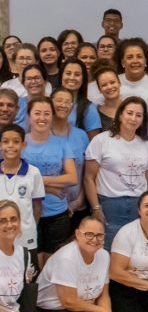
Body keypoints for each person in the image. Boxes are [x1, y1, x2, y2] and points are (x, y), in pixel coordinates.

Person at [36, 216, 120, 312]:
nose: (94, 239)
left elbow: (104, 294)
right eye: (89, 234)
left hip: (80, 308)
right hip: (49, 310)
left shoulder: (104, 255)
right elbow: (69, 302)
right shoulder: (66, 258)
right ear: (78, 234)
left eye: (99, 235)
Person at [0, 200, 65, 312]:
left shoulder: (24, 254)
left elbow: (23, 295)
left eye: (13, 219)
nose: (9, 225)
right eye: (3, 221)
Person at [85, 97, 148, 251]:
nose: (133, 118)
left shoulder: (146, 145)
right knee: (109, 250)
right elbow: (89, 178)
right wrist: (96, 208)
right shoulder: (101, 140)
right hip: (110, 204)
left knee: (135, 250)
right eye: (129, 113)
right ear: (120, 115)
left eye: (139, 115)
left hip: (138, 205)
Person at [23, 98, 77, 264]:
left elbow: (72, 178)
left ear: (52, 117)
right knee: (32, 265)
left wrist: (39, 180)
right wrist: (51, 187)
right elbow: (15, 180)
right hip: (27, 212)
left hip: (57, 213)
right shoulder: (20, 143)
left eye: (47, 114)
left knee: (53, 265)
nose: (42, 118)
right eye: (37, 113)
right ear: (28, 116)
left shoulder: (62, 143)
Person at [50, 88, 90, 229]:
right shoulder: (42, 135)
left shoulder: (82, 135)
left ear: (72, 107)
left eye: (68, 102)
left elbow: (87, 172)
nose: (63, 105)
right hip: (50, 206)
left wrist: (79, 200)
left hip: (79, 205)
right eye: (59, 100)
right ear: (50, 103)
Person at [0, 126, 44, 251]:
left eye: (16, 141)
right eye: (5, 141)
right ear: (0, 145)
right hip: (1, 236)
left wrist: (28, 226)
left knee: (27, 269)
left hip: (25, 236)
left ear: (23, 145)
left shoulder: (34, 172)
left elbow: (37, 207)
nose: (10, 146)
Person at [60, 59, 103, 139]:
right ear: (61, 76)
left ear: (83, 79)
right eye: (68, 73)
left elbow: (94, 144)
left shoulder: (89, 109)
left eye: (77, 74)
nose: (72, 77)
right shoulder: (50, 103)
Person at [115, 38, 148, 104]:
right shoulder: (113, 83)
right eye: (130, 57)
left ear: (145, 61)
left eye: (139, 56)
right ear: (123, 62)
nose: (135, 61)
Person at [94, 66, 122, 132]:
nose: (109, 87)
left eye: (112, 82)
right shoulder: (96, 114)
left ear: (119, 83)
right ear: (99, 89)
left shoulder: (131, 107)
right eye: (104, 85)